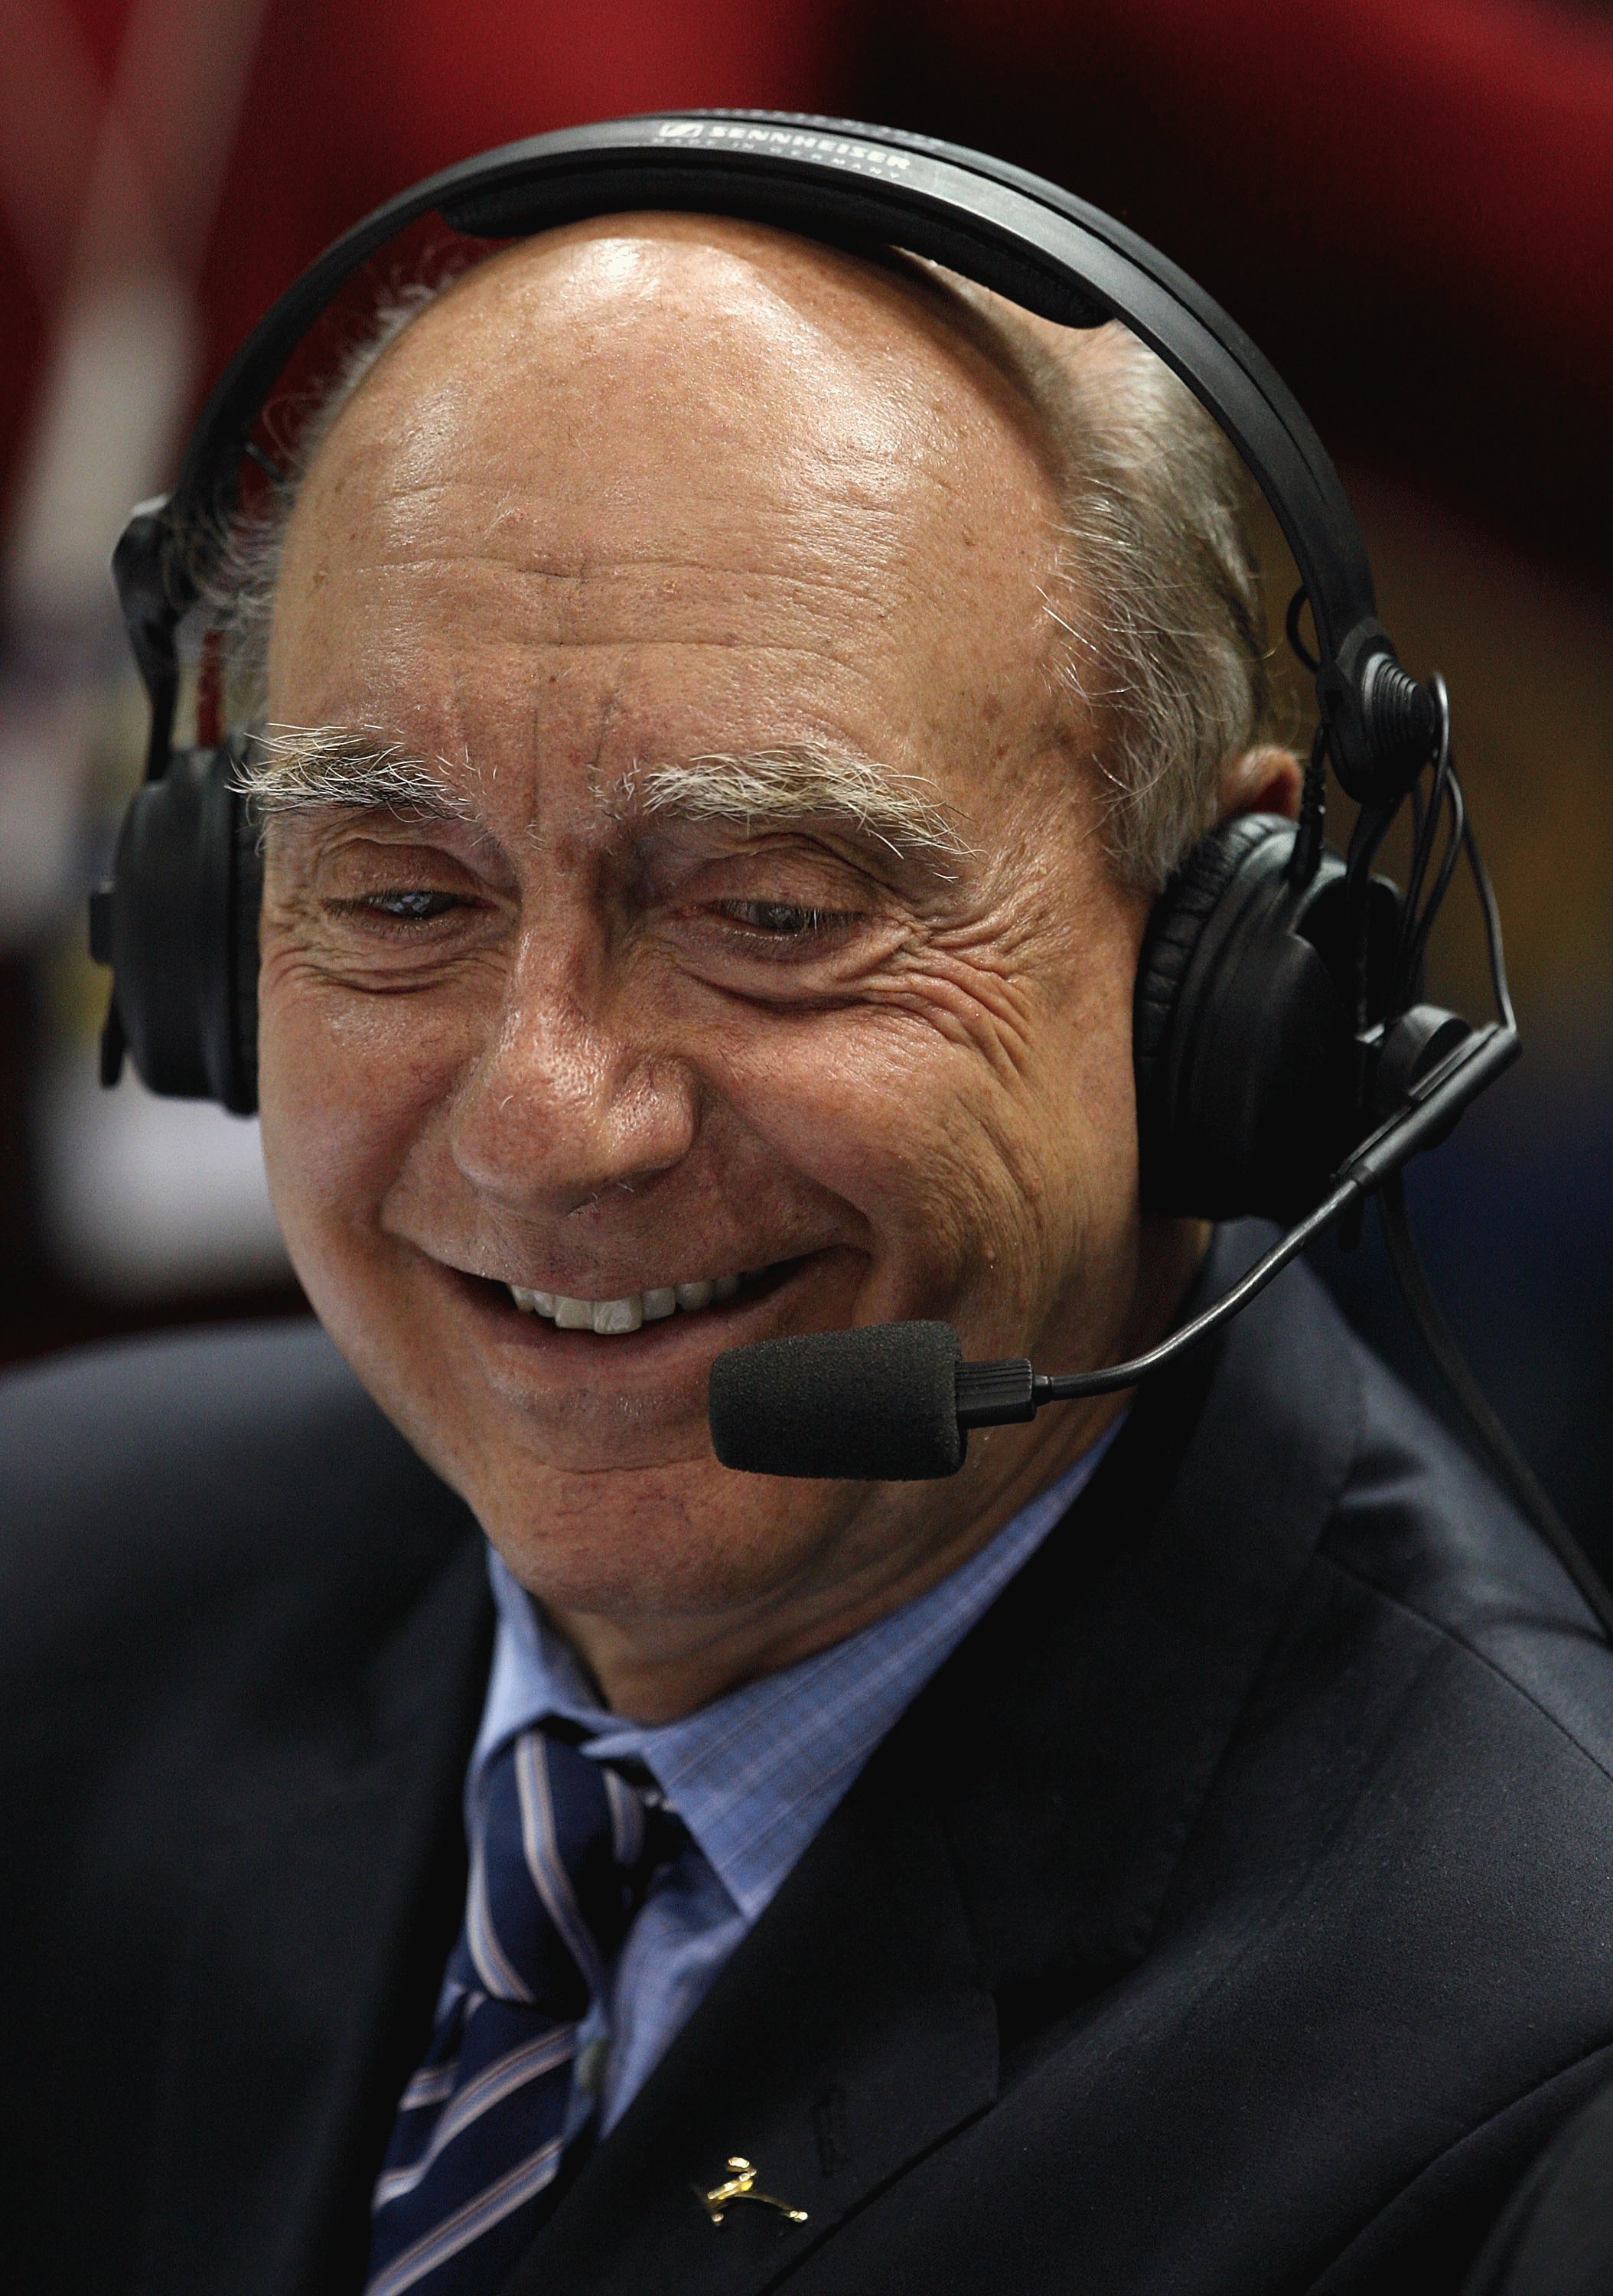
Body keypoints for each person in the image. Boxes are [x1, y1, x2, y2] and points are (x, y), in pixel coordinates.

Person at [6, 191, 1613, 2296]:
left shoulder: (1527, 2074)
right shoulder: (51, 1587)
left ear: (1227, 980)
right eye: (400, 898)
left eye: (770, 912)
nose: (544, 1123)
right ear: (216, 936)